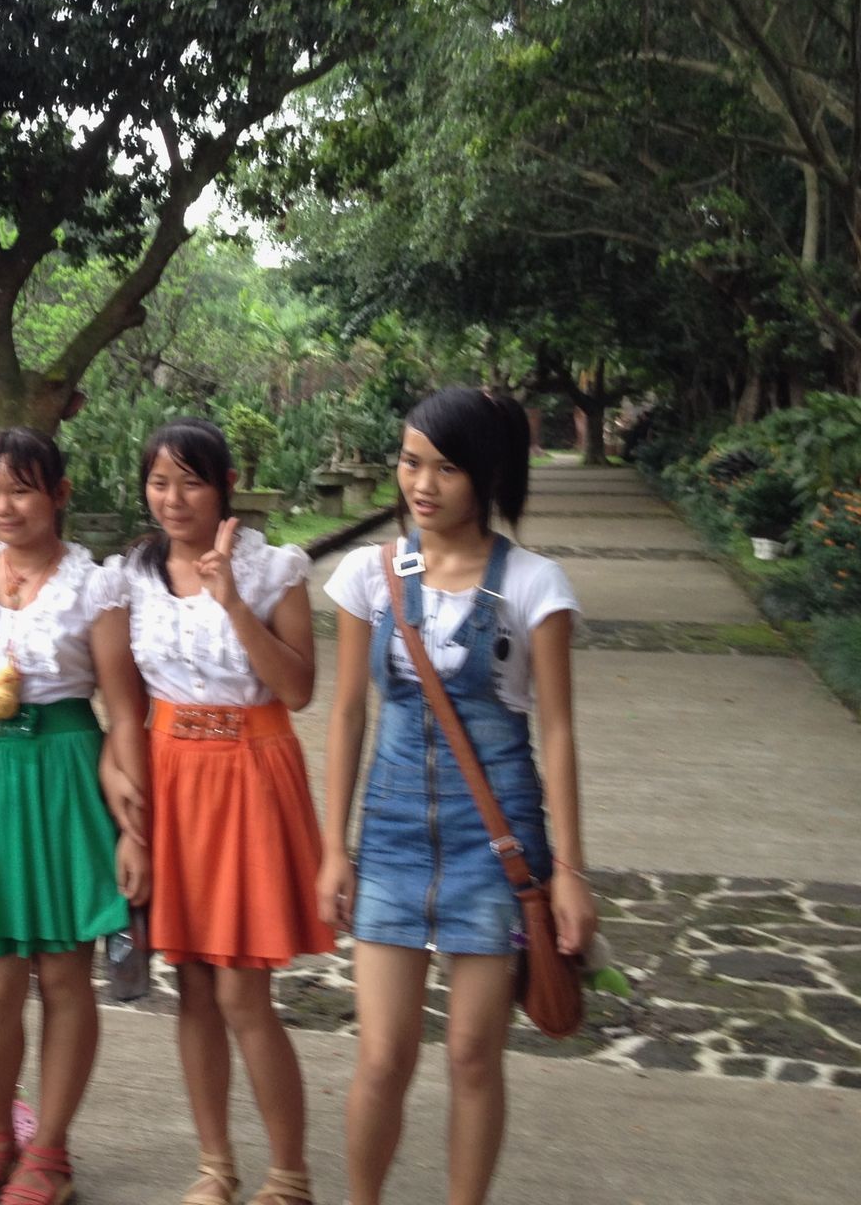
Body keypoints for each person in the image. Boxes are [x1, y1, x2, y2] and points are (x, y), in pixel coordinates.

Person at [316, 387, 597, 1205]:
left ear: (489, 475)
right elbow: (344, 715)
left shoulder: (535, 585)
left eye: (446, 467)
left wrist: (571, 870)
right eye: (410, 462)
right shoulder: (368, 576)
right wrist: (335, 847)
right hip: (393, 835)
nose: (422, 484)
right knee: (382, 1056)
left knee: (475, 1054)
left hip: (499, 841)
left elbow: (559, 733)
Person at [0, 427, 150, 1205]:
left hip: (67, 776)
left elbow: (125, 708)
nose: (5, 507)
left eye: (22, 490)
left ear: (60, 495)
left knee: (67, 981)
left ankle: (49, 1150)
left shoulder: (96, 586)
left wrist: (135, 829)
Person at [103, 418, 333, 1205]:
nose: (172, 498)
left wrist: (234, 603)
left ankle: (289, 1175)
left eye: (190, 481)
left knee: (242, 991)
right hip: (168, 775)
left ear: (224, 485)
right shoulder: (128, 576)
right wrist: (124, 801)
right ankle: (216, 1167)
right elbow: (123, 704)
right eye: (159, 482)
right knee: (191, 985)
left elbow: (297, 689)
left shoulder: (273, 570)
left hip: (249, 772)